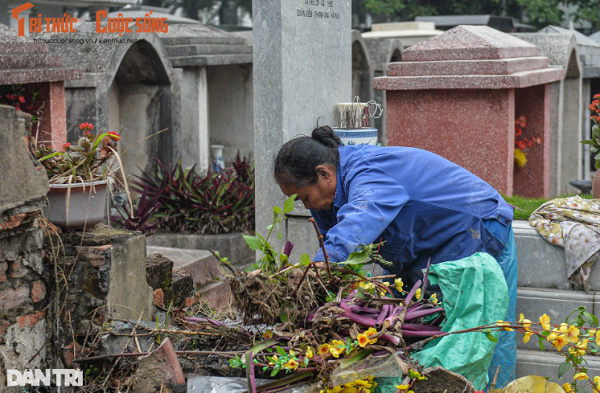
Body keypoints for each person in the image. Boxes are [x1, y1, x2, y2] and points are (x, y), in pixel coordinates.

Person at [274, 126, 517, 387]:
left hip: (475, 230)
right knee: (422, 332)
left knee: (483, 335)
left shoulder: (366, 171)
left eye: (305, 198)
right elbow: (335, 256)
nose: (307, 206)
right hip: (428, 247)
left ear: (324, 173)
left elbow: (358, 222)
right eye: (301, 202)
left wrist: (320, 265)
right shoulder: (327, 197)